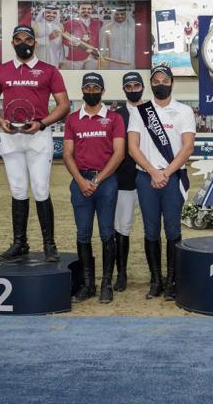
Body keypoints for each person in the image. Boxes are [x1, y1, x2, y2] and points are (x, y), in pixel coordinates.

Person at [0, 25, 71, 263]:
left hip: (38, 136)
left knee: (41, 189)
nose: (24, 43)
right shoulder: (0, 71)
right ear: (12, 43)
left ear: (35, 43)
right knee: (18, 190)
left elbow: (64, 105)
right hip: (11, 135)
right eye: (18, 39)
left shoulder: (49, 71)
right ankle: (20, 243)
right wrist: (1, 121)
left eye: (28, 39)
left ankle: (49, 244)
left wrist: (42, 123)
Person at [126, 65, 196, 300]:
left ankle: (173, 282)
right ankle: (156, 280)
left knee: (173, 230)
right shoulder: (140, 111)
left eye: (164, 80)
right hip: (146, 178)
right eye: (155, 80)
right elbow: (132, 147)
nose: (160, 84)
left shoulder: (184, 111)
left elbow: (187, 147)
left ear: (172, 83)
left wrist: (165, 172)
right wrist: (152, 172)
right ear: (151, 84)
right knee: (151, 230)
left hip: (172, 178)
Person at [63, 73, 126, 304]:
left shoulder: (114, 118)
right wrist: (80, 180)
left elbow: (119, 153)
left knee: (107, 233)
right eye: (87, 87)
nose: (91, 91)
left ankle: (106, 284)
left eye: (95, 87)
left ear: (102, 91)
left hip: (106, 181)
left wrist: (98, 180)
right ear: (82, 90)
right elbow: (67, 153)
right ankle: (88, 284)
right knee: (83, 233)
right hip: (80, 182)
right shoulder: (72, 119)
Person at [112, 71, 146, 292]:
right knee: (122, 228)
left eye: (137, 85)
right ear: (124, 89)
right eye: (129, 86)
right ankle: (121, 273)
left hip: (149, 179)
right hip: (123, 180)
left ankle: (156, 275)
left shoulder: (153, 112)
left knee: (152, 228)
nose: (133, 89)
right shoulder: (116, 116)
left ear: (143, 87)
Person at [62, 2, 102, 69]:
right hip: (76, 56)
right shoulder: (68, 23)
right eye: (83, 8)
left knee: (91, 77)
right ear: (78, 10)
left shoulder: (99, 23)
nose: (86, 10)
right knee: (75, 77)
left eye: (89, 9)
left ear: (92, 10)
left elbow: (101, 38)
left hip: (93, 55)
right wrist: (70, 43)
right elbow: (64, 39)